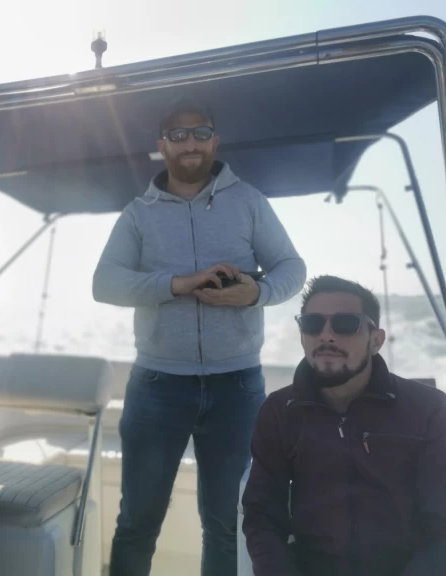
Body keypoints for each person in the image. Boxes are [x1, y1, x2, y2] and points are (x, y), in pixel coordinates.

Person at [92, 97, 306, 575]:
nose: (190, 143)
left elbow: (292, 268)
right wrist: (178, 284)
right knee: (137, 521)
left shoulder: (249, 201)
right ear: (161, 147)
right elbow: (104, 284)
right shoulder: (138, 213)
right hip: (157, 387)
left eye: (200, 132)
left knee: (229, 522)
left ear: (214, 140)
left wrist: (256, 293)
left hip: (238, 387)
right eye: (178, 135)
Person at [242, 275, 446, 576]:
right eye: (312, 323)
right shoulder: (279, 411)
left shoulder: (431, 410)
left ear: (376, 340)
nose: (326, 336)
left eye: (345, 324)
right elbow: (262, 516)